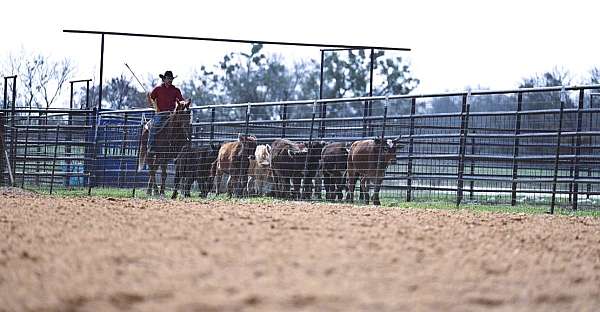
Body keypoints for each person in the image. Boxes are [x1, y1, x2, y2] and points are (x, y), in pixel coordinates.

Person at [146, 70, 185, 153]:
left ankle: (183, 146)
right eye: (168, 78)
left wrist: (184, 104)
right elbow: (151, 97)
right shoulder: (158, 89)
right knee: (154, 126)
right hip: (161, 114)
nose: (170, 80)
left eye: (171, 79)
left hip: (171, 114)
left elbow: (181, 101)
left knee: (182, 126)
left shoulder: (176, 90)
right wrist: (154, 107)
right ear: (164, 79)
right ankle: (151, 147)